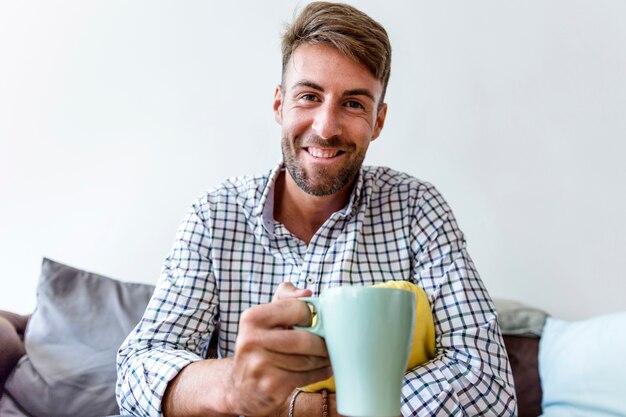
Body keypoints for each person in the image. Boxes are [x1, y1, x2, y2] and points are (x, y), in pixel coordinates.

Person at [116, 2, 517, 416]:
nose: (326, 127)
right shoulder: (215, 214)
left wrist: (308, 409)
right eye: (309, 96)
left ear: (378, 121)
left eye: (354, 104)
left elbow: (489, 386)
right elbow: (137, 371)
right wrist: (236, 387)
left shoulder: (417, 209)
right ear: (279, 104)